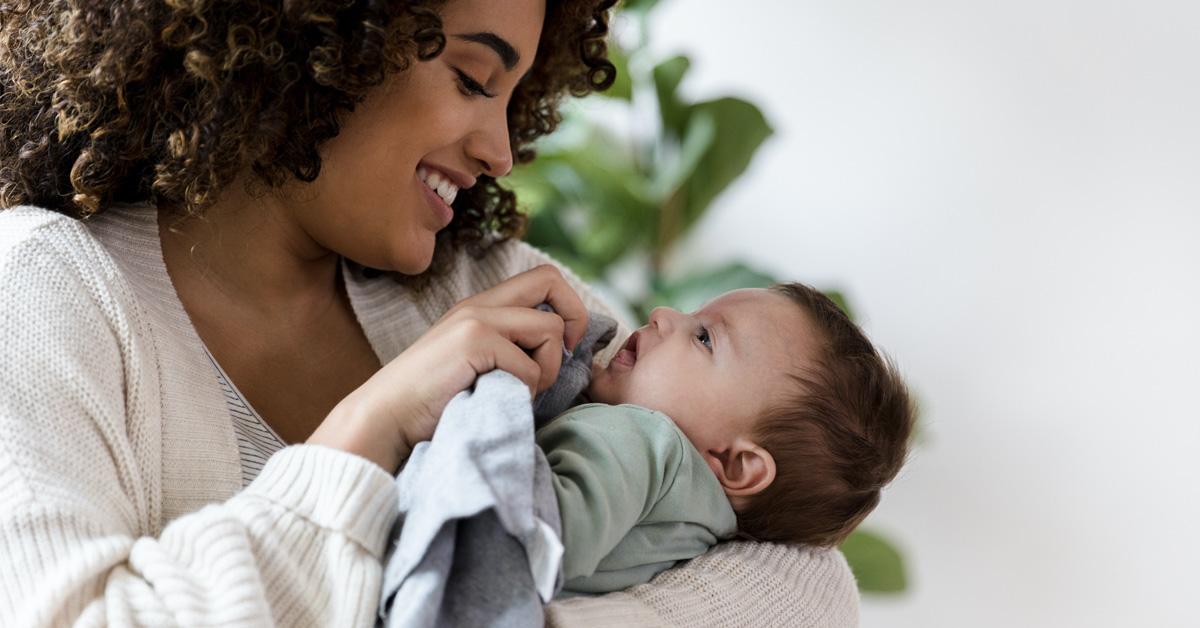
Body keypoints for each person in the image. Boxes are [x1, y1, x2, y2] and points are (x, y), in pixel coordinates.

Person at [0, 1, 860, 626]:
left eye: (513, 99)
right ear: (314, 37)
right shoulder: (46, 288)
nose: (500, 148)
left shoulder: (487, 281)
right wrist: (369, 429)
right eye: (472, 79)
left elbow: (808, 590)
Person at [539, 283, 914, 594]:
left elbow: (541, 533)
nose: (663, 313)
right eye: (693, 314)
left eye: (704, 338)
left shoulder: (647, 441)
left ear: (737, 464)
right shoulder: (692, 530)